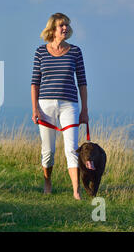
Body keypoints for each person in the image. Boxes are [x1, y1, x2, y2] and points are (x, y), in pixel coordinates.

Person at [31, 12, 88, 200]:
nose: (65, 28)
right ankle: (48, 182)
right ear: (52, 29)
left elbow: (82, 82)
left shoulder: (75, 51)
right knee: (48, 151)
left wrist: (84, 110)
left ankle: (76, 191)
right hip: (45, 106)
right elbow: (35, 83)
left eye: (66, 25)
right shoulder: (40, 51)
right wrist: (35, 109)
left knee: (72, 148)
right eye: (61, 25)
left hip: (69, 105)